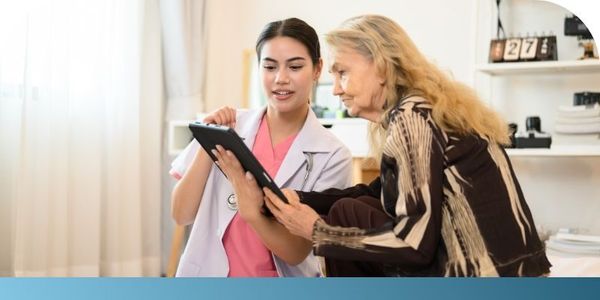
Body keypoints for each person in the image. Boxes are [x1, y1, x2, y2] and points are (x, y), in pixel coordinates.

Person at [217, 14, 551, 276]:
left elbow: (415, 245)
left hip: (482, 277)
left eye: (342, 73)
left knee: (345, 216)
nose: (335, 89)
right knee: (351, 207)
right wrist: (301, 199)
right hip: (514, 270)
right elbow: (377, 192)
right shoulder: (424, 110)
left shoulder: (412, 121)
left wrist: (316, 231)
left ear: (380, 66)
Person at [169, 18, 353, 277]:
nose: (280, 79)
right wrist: (207, 143)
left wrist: (252, 211)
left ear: (317, 69)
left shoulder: (334, 156)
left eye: (295, 66)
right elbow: (180, 213)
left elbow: (296, 251)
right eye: (269, 66)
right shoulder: (228, 126)